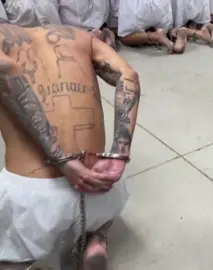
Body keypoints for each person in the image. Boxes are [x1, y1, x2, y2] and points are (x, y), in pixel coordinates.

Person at [0, 22, 140, 269]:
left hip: (32, 200)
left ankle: (24, 261)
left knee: (12, 245)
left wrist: (62, 159)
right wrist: (120, 153)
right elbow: (127, 75)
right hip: (101, 187)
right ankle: (96, 236)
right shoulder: (79, 36)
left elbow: (6, 69)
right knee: (105, 209)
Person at [117, 0, 187, 54]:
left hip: (138, 5)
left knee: (125, 37)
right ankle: (174, 32)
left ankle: (153, 36)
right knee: (166, 28)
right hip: (161, 3)